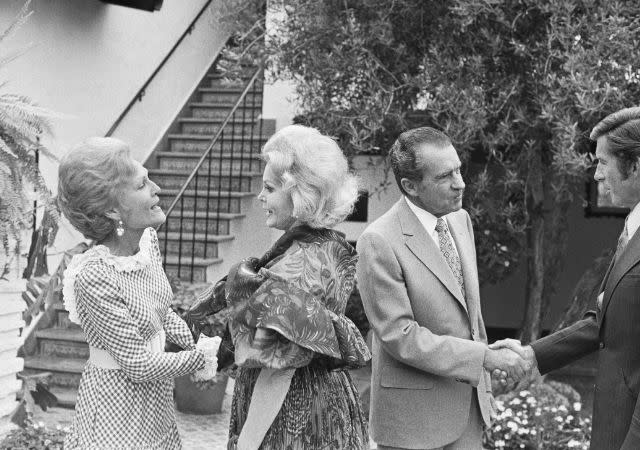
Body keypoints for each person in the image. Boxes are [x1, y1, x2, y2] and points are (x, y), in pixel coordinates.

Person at [187, 124, 371, 450]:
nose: (261, 196)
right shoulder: (320, 247)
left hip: (291, 416)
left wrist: (246, 444)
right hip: (317, 401)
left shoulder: (302, 264)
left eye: (269, 188)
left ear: (300, 193)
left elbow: (278, 373)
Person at [356, 127, 530, 450]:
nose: (460, 183)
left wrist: (487, 374)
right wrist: (485, 358)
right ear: (410, 186)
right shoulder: (378, 242)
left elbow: (469, 316)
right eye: (445, 176)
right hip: (413, 427)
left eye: (459, 169)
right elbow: (401, 337)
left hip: (468, 414)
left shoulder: (460, 220)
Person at [491, 106, 640, 450]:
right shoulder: (632, 226)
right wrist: (533, 357)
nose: (597, 175)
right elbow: (604, 320)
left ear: (634, 165)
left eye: (603, 162)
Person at [57, 137, 218, 449]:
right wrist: (201, 357)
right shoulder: (94, 275)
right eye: (143, 184)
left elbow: (162, 313)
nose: (157, 188)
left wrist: (193, 345)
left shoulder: (146, 244)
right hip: (116, 411)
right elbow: (139, 365)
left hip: (155, 405)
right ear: (114, 211)